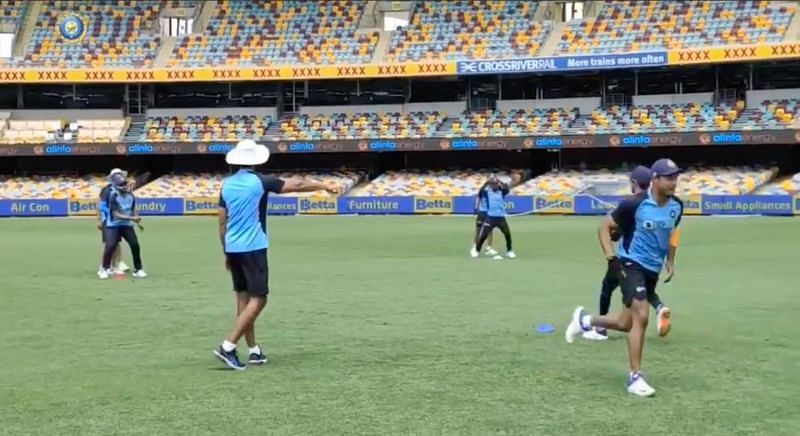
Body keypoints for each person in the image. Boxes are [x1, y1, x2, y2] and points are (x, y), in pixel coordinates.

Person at [214, 139, 340, 370]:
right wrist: (322, 185)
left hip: (233, 247)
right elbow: (298, 185)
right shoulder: (260, 182)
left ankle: (253, 351)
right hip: (253, 246)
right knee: (259, 299)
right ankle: (228, 346)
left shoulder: (227, 185)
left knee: (243, 299)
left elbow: (222, 222)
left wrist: (226, 251)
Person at [565, 158, 683, 397]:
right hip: (630, 264)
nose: (674, 182)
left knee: (625, 323)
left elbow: (672, 232)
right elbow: (604, 227)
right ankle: (635, 378)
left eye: (675, 177)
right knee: (642, 315)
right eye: (669, 177)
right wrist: (611, 259)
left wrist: (670, 260)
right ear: (655, 180)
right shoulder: (634, 204)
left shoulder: (677, 206)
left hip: (652, 269)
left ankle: (585, 321)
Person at [583, 165, 672, 341]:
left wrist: (612, 250)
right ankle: (660, 308)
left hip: (628, 259)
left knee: (607, 288)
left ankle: (600, 328)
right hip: (650, 261)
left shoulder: (631, 203)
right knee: (646, 290)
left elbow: (612, 230)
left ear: (633, 182)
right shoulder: (655, 203)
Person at [99, 171, 146, 279]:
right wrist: (132, 218)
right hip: (113, 225)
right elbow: (116, 214)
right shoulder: (113, 196)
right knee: (110, 245)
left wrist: (136, 216)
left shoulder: (131, 196)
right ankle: (104, 269)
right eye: (121, 185)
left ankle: (138, 269)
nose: (124, 187)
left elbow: (133, 208)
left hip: (127, 225)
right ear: (116, 186)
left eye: (125, 184)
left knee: (135, 245)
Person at [471, 176, 515, 259]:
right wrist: (489, 181)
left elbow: (507, 188)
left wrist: (499, 182)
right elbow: (481, 191)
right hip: (490, 217)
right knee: (483, 235)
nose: (494, 186)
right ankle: (477, 250)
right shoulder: (487, 192)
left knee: (507, 234)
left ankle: (509, 251)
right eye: (492, 184)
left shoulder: (502, 192)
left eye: (495, 184)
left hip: (501, 217)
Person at [97, 169, 129, 277]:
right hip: (108, 219)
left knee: (116, 243)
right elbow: (101, 206)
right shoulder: (106, 190)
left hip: (117, 220)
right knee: (108, 243)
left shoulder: (122, 189)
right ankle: (104, 266)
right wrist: (100, 219)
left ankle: (117, 264)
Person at [471, 176, 498, 257]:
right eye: (493, 183)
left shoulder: (496, 190)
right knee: (478, 230)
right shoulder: (483, 190)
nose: (495, 185)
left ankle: (489, 248)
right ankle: (475, 247)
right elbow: (478, 198)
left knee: (490, 230)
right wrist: (476, 207)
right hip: (482, 212)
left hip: (490, 212)